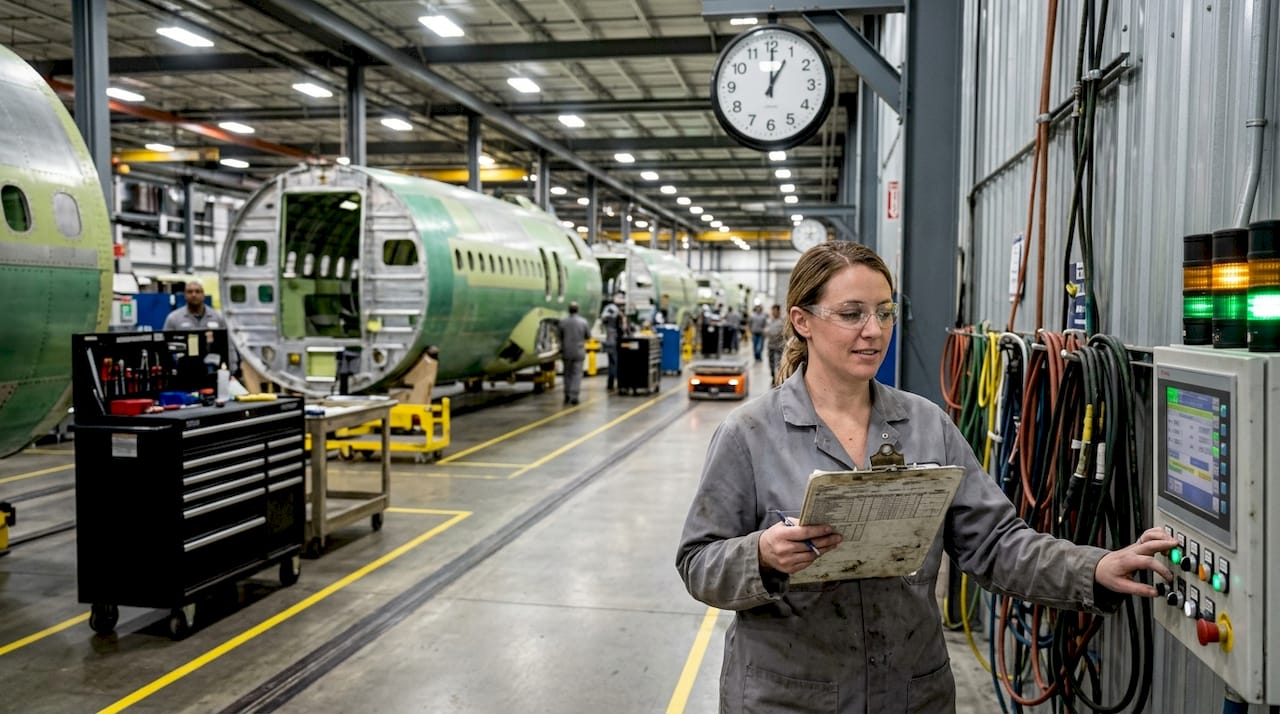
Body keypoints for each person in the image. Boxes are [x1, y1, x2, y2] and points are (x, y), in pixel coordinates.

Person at [675, 241, 1177, 713]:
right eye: (852, 314)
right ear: (802, 321)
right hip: (791, 698)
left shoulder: (925, 425)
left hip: (911, 693)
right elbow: (699, 562)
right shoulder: (749, 434)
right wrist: (761, 555)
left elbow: (996, 543)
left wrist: (1092, 569)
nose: (873, 330)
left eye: (885, 312)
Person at [557, 302, 590, 405]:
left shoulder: (563, 322)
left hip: (566, 351)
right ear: (578, 310)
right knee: (577, 374)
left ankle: (567, 395)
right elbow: (588, 336)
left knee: (567, 374)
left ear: (569, 310)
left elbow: (559, 336)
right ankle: (574, 396)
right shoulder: (583, 322)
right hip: (579, 351)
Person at [599, 291, 627, 391]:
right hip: (614, 341)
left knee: (612, 362)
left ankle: (611, 383)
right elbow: (622, 329)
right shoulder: (616, 313)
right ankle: (614, 383)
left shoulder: (608, 310)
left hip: (609, 340)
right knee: (615, 363)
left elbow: (603, 320)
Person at [763, 303, 785, 380]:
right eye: (772, 310)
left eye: (775, 310)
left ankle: (779, 376)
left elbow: (784, 332)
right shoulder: (769, 321)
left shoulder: (782, 321)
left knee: (779, 361)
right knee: (771, 361)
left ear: (778, 311)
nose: (773, 312)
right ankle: (772, 375)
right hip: (771, 345)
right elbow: (765, 330)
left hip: (779, 345)